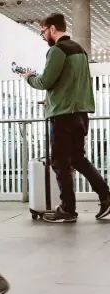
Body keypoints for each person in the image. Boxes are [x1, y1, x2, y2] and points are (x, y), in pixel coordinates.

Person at [22, 13, 110, 223]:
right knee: (78, 159)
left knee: (60, 162)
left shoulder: (57, 50)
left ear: (52, 29)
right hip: (80, 115)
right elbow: (68, 84)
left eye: (43, 32)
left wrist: (29, 78)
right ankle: (106, 196)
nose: (43, 37)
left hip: (63, 116)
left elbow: (45, 82)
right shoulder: (79, 51)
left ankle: (68, 209)